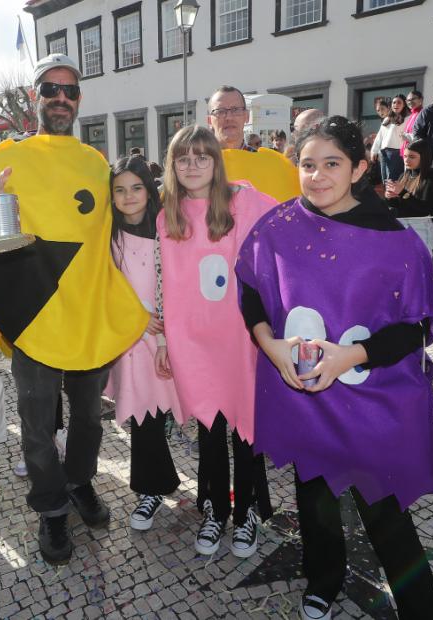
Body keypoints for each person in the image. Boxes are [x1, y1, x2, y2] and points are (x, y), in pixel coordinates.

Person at [0, 53, 148, 565]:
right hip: (33, 318)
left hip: (89, 315)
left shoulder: (95, 163)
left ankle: (79, 482)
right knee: (36, 423)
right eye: (50, 89)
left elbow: (129, 221)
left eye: (69, 90)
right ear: (34, 97)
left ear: (78, 99)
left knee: (89, 420)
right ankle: (51, 507)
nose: (60, 97)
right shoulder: (4, 157)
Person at [236, 116, 433, 620]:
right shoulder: (278, 226)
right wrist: (269, 345)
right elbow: (251, 291)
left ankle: (422, 610)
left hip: (371, 401)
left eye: (332, 164)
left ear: (359, 169)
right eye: (308, 164)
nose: (318, 176)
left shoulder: (397, 241)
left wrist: (351, 356)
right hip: (306, 397)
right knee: (314, 496)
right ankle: (323, 580)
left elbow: (415, 328)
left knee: (384, 511)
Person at [156, 125, 277, 559]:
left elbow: (289, 221)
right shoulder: (166, 216)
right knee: (209, 429)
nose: (192, 166)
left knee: (245, 429)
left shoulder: (242, 201)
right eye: (183, 158)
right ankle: (215, 509)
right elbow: (164, 281)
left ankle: (246, 512)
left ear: (216, 161)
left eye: (202, 157)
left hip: (239, 338)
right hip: (193, 341)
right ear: (172, 165)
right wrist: (165, 340)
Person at [101, 155, 184, 531]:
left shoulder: (168, 229)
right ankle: (151, 488)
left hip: (168, 334)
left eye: (136, 187)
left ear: (149, 191)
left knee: (166, 411)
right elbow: (105, 287)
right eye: (120, 190)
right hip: (132, 339)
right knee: (142, 415)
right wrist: (133, 318)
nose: (129, 196)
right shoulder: (109, 237)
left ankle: (172, 483)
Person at [208, 85, 300, 203]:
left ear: (246, 116)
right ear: (209, 120)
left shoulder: (273, 165)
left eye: (236, 110)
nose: (229, 117)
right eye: (220, 111)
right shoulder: (197, 166)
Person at [385, 138, 433, 253]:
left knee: (419, 262)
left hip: (420, 227)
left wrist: (402, 193)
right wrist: (390, 197)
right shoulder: (404, 175)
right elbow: (399, 206)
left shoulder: (431, 177)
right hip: (402, 225)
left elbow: (425, 209)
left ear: (423, 157)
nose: (407, 160)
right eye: (405, 156)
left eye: (412, 157)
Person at [371, 94, 409, 183]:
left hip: (396, 153)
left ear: (404, 105)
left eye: (399, 102)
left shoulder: (407, 118)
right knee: (385, 180)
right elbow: (380, 136)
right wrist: (374, 151)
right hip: (383, 152)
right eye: (394, 102)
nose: (396, 105)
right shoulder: (387, 119)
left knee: (392, 180)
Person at [401, 90, 423, 156]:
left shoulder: (422, 114)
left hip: (416, 151)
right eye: (408, 100)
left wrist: (406, 136)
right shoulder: (412, 114)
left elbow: (421, 135)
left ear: (420, 99)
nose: (410, 102)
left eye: (413, 99)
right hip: (408, 151)